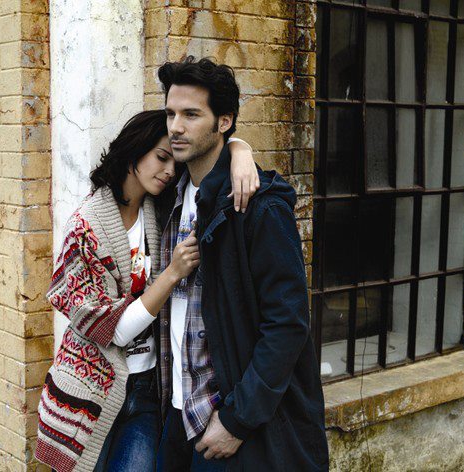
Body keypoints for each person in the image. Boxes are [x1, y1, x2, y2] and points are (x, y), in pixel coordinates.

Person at [34, 109, 259, 472]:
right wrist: (172, 273)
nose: (169, 171)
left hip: (148, 390)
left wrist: (240, 149)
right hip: (91, 392)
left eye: (174, 163)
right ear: (134, 151)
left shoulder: (162, 210)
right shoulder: (86, 228)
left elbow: (208, 154)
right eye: (161, 157)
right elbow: (116, 332)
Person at [155, 57, 329, 471]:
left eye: (191, 115)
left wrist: (237, 420)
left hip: (229, 423)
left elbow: (287, 324)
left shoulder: (259, 208)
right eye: (171, 114)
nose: (176, 127)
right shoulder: (166, 196)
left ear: (224, 121)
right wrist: (239, 148)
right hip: (176, 413)